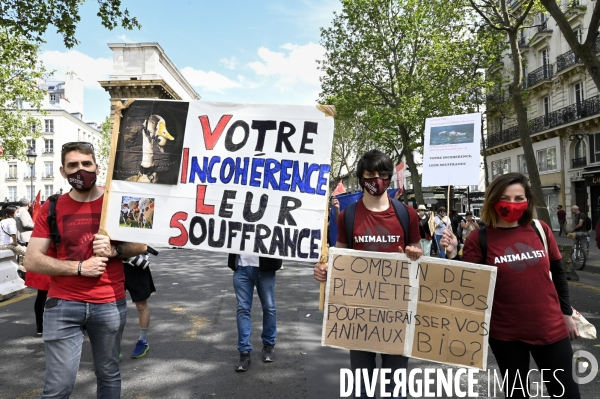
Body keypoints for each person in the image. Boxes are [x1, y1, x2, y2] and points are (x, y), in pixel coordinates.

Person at [24, 142, 147, 398]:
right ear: (62, 171)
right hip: (62, 304)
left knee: (109, 374)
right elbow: (32, 260)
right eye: (73, 165)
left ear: (97, 167)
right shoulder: (52, 207)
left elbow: (141, 244)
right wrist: (80, 267)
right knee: (58, 386)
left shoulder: (120, 202)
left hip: (109, 303)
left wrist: (115, 250)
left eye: (86, 164)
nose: (80, 170)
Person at [441, 172, 580, 399]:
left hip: (550, 328)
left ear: (527, 201)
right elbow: (467, 284)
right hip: (506, 335)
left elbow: (558, 273)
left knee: (566, 393)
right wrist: (453, 254)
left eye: (518, 198)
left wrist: (566, 314)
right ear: (493, 200)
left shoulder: (540, 229)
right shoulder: (480, 238)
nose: (512, 204)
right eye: (505, 198)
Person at [313, 149, 422, 399]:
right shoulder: (347, 216)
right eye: (370, 174)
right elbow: (340, 258)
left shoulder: (407, 215)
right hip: (359, 313)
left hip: (397, 311)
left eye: (382, 174)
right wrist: (325, 271)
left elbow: (418, 255)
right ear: (362, 178)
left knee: (396, 386)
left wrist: (414, 254)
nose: (377, 179)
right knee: (363, 387)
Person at [228, 253, 281, 371]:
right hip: (241, 267)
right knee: (242, 309)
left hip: (265, 267)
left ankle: (269, 344)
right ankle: (244, 351)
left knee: (269, 307)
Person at [124, 252, 156, 359]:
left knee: (141, 305)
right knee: (112, 305)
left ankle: (143, 340)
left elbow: (143, 245)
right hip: (113, 264)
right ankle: (112, 346)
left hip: (135, 262)